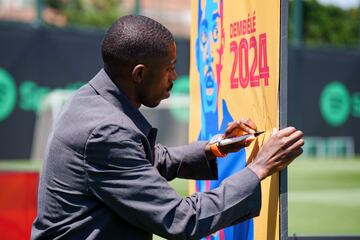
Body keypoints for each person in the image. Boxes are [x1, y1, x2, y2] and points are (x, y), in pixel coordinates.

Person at [31, 15, 304, 240]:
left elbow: (145, 160)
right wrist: (259, 168)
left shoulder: (89, 101)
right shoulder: (106, 131)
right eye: (169, 69)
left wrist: (217, 148)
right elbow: (181, 220)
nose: (174, 77)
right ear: (139, 74)